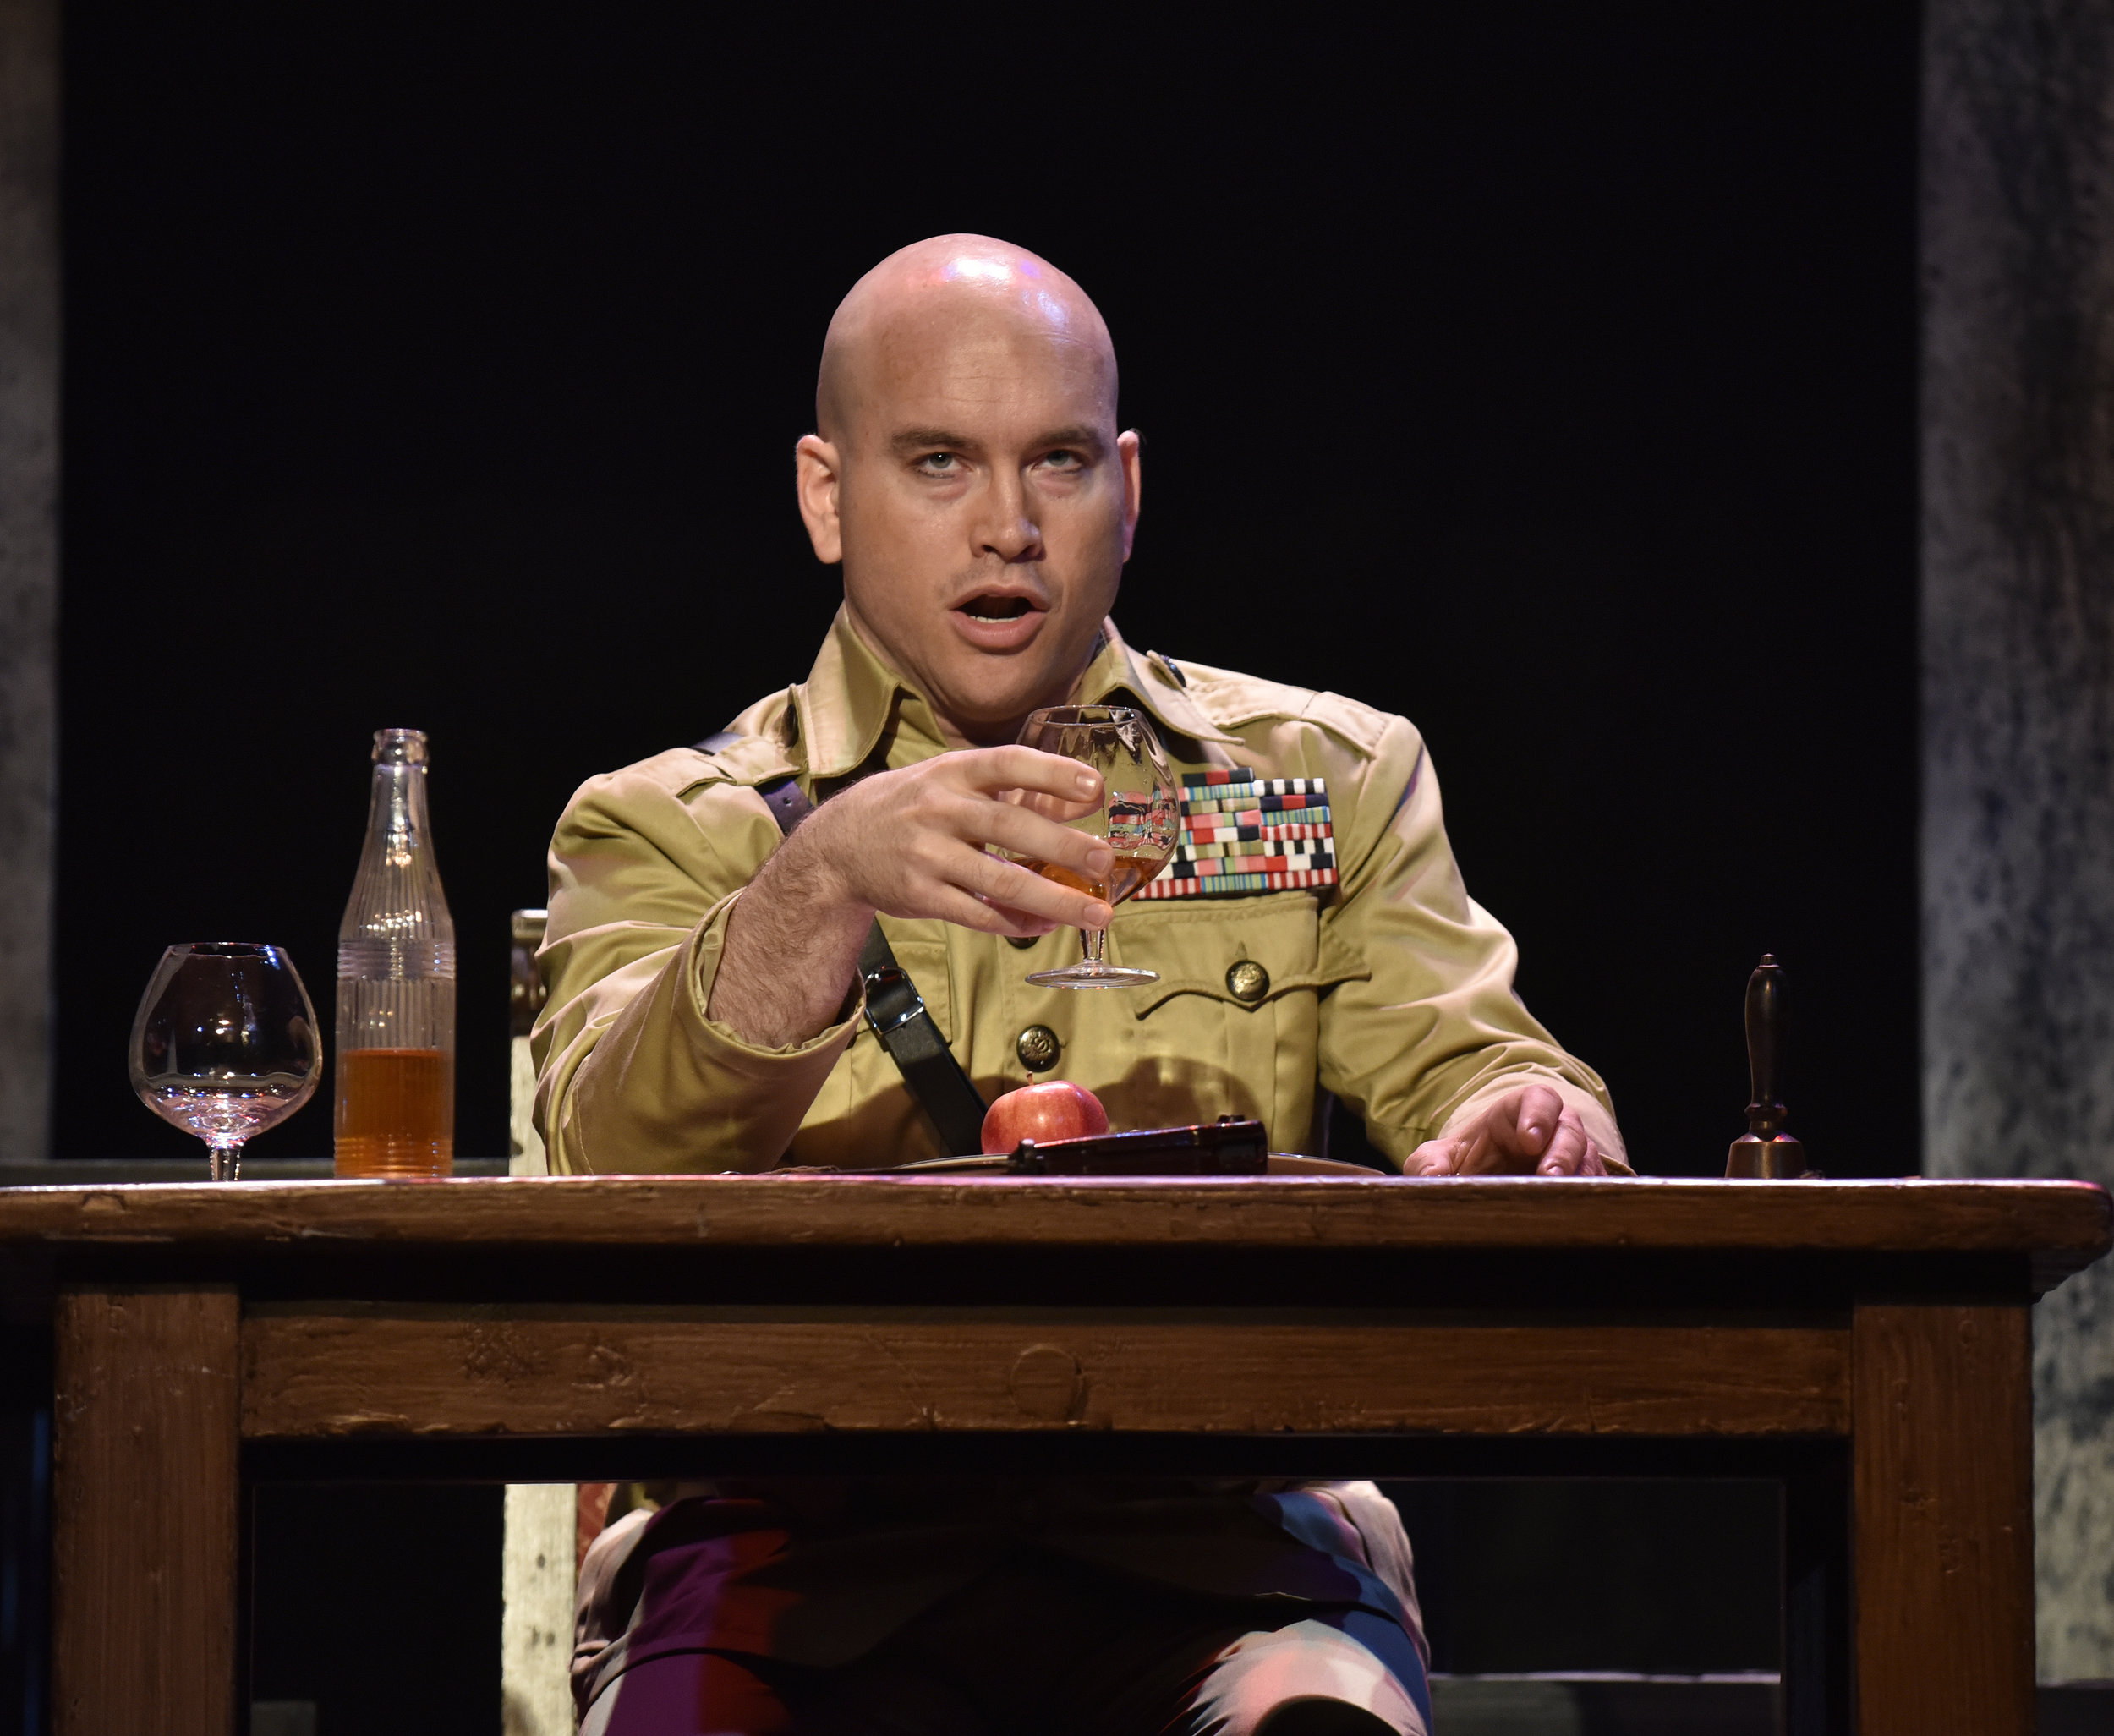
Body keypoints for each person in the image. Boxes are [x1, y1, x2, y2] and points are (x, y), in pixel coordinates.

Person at [535, 236, 1628, 1736]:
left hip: (1224, 1548)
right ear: (825, 493)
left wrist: (1525, 1117)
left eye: (1055, 463)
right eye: (937, 462)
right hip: (804, 1562)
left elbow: (1476, 1066)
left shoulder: (1326, 781)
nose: (1008, 527)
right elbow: (605, 1156)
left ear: (1128, 483)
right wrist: (822, 878)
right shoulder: (670, 822)